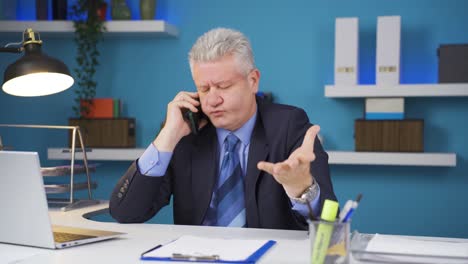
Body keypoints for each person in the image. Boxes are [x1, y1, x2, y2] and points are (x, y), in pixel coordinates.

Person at [109, 28, 337, 230]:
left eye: (223, 86)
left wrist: (301, 190)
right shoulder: (185, 133)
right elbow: (125, 213)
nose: (212, 100)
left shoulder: (288, 126)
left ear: (253, 81)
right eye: (204, 89)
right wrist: (166, 137)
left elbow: (329, 224)